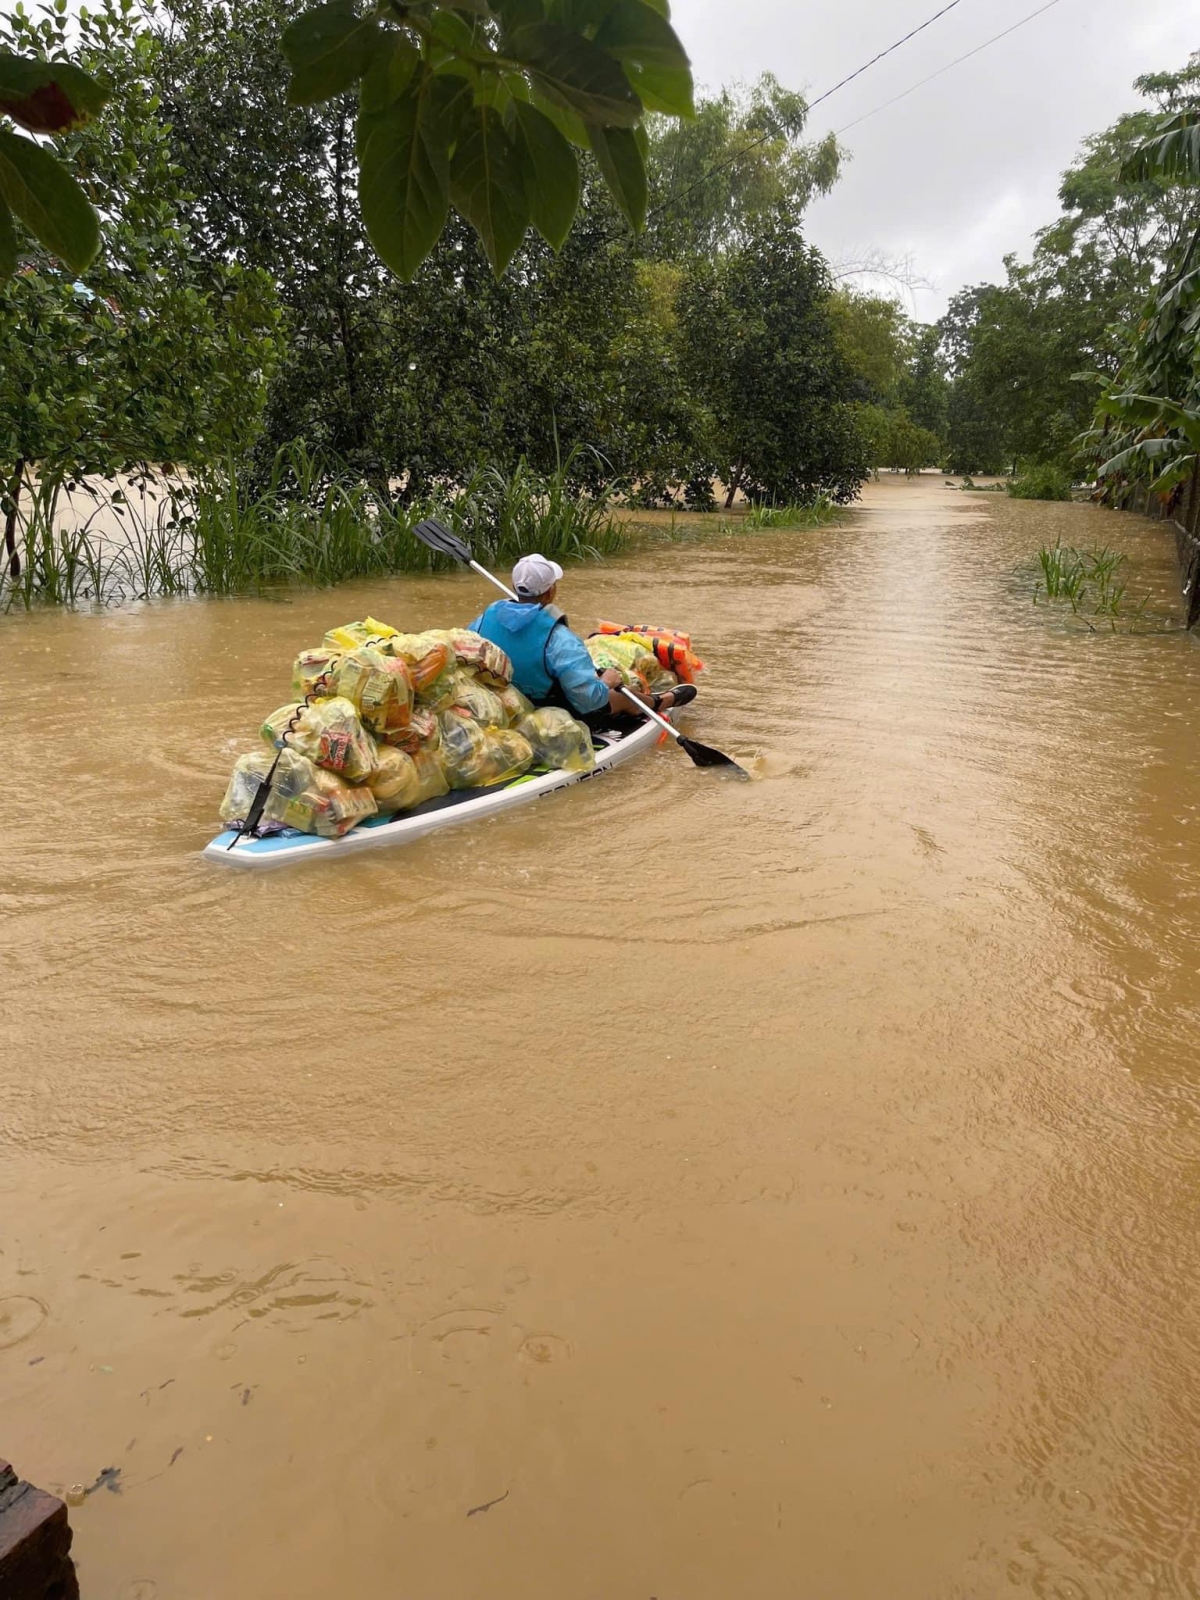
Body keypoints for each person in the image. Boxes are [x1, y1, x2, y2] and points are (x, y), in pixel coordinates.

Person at [469, 553, 697, 731]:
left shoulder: (480, 622)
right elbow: (589, 701)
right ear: (550, 593)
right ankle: (659, 702)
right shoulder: (560, 640)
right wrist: (607, 681)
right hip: (552, 709)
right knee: (620, 694)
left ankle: (653, 700)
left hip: (504, 702)